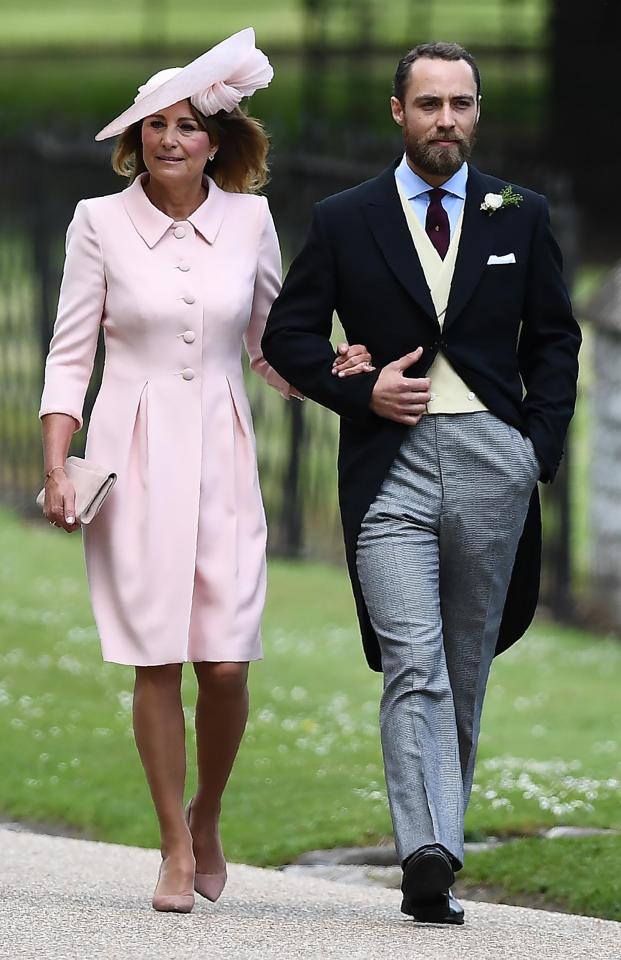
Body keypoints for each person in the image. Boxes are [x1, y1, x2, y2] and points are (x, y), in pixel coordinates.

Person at [39, 28, 371, 914]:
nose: (170, 139)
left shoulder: (252, 222)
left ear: (215, 139)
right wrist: (57, 466)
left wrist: (327, 368)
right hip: (132, 452)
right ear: (136, 138)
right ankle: (174, 847)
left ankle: (209, 811)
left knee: (225, 663)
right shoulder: (96, 223)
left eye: (187, 125)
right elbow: (70, 355)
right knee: (157, 658)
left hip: (223, 453)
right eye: (155, 125)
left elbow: (269, 346)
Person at [262, 41, 581, 925]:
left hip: (493, 460)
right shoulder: (343, 217)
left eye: (462, 104)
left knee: (464, 665)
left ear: (477, 114)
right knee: (412, 657)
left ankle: (442, 835)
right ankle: (427, 855)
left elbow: (555, 340)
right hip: (387, 469)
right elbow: (288, 338)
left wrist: (535, 450)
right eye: (430, 104)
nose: (448, 120)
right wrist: (355, 387)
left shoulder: (519, 212)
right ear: (396, 113)